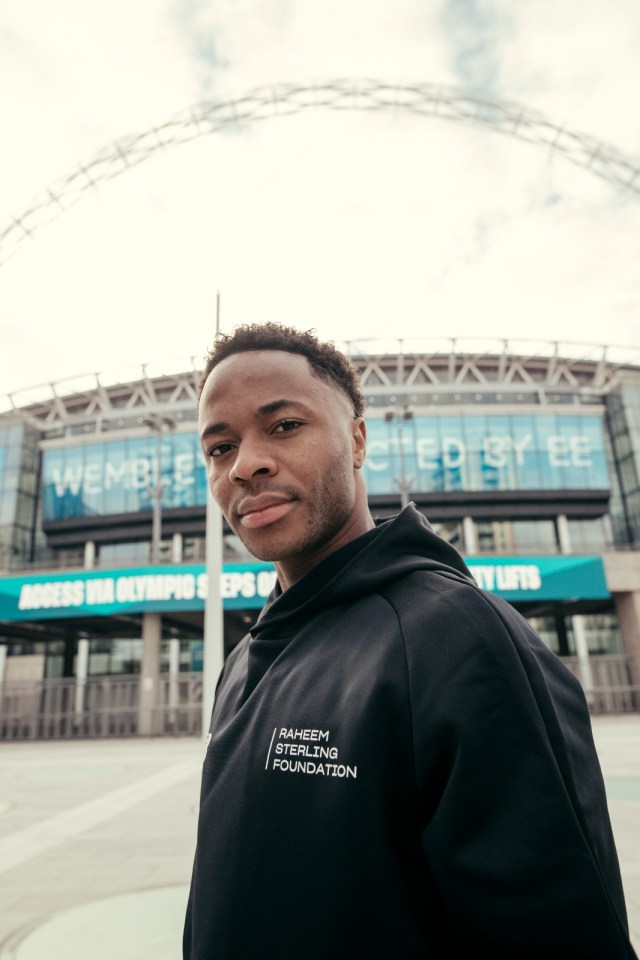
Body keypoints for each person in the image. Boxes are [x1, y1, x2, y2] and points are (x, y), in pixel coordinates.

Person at [184, 322, 637, 960]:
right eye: (219, 447)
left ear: (358, 440)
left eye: (284, 426)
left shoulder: (458, 636)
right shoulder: (246, 657)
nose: (244, 465)